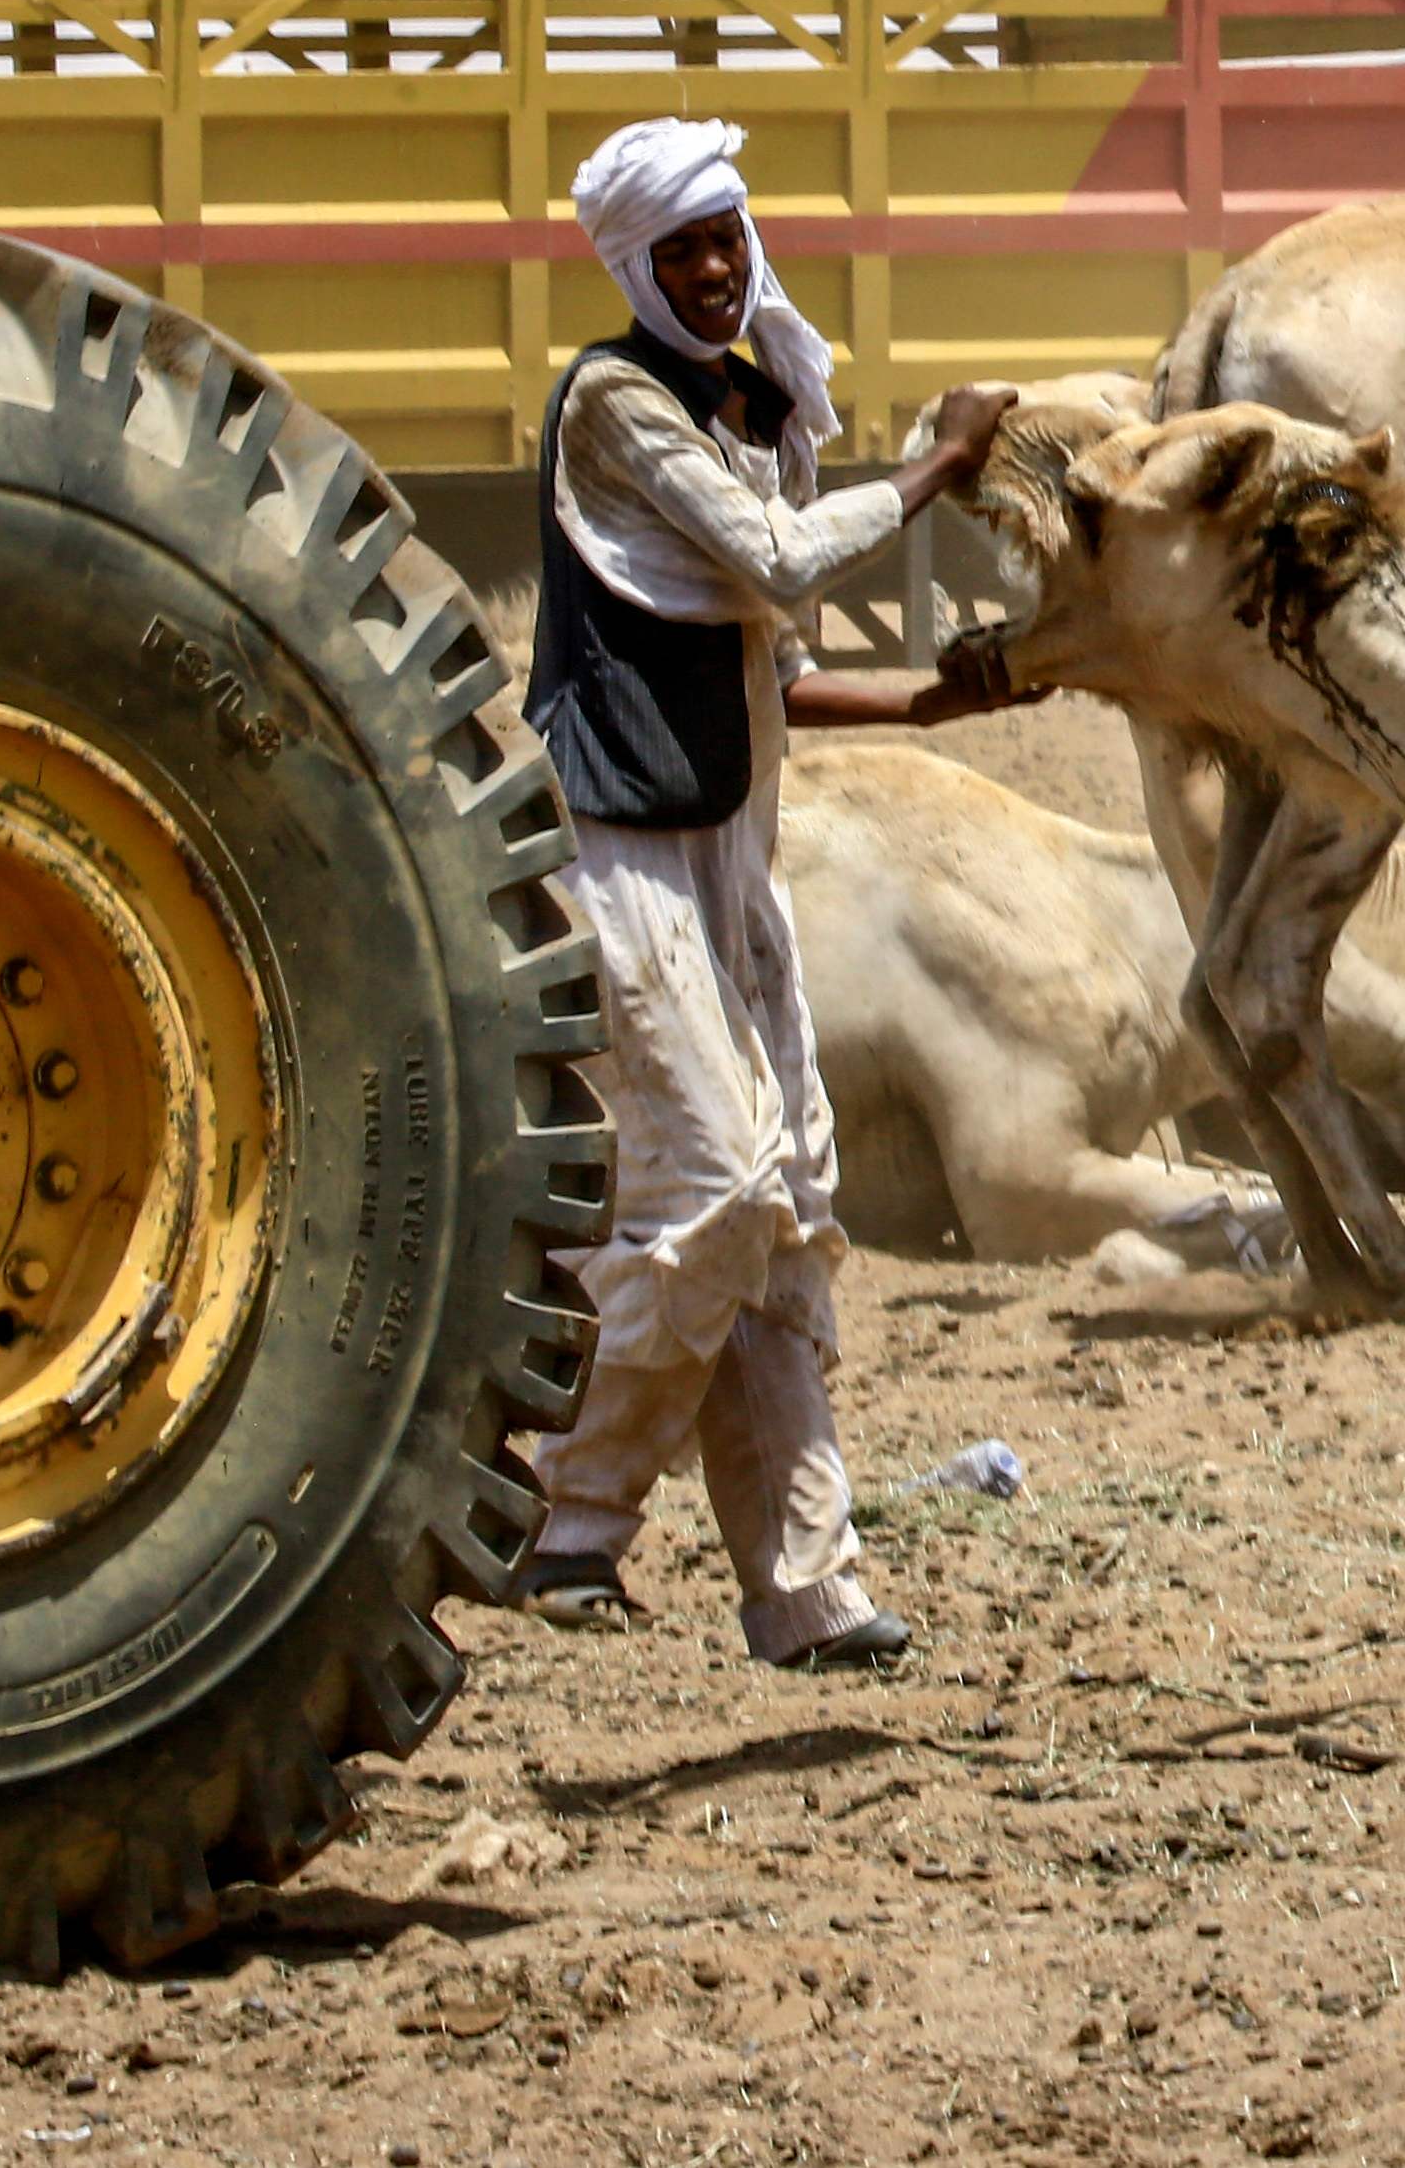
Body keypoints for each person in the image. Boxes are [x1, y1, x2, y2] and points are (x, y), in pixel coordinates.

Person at [510, 116, 1018, 1670]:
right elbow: (781, 558)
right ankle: (568, 1515)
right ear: (636, 268)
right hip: (628, 851)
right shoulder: (614, 403)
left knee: (787, 1211)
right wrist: (940, 464)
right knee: (718, 1185)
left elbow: (773, 665)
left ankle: (805, 1587)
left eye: (725, 240)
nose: (715, 271)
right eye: (681, 251)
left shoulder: (741, 411)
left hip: (734, 852)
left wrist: (937, 702)